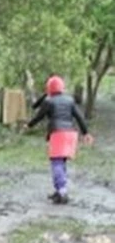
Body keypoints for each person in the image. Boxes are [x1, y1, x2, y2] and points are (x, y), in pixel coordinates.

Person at [25, 75, 93, 204]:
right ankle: (59, 191)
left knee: (56, 162)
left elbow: (39, 116)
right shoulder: (70, 100)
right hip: (71, 134)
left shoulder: (48, 101)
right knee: (62, 163)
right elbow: (79, 117)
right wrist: (86, 133)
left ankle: (62, 191)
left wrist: (28, 125)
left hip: (58, 134)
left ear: (49, 88)